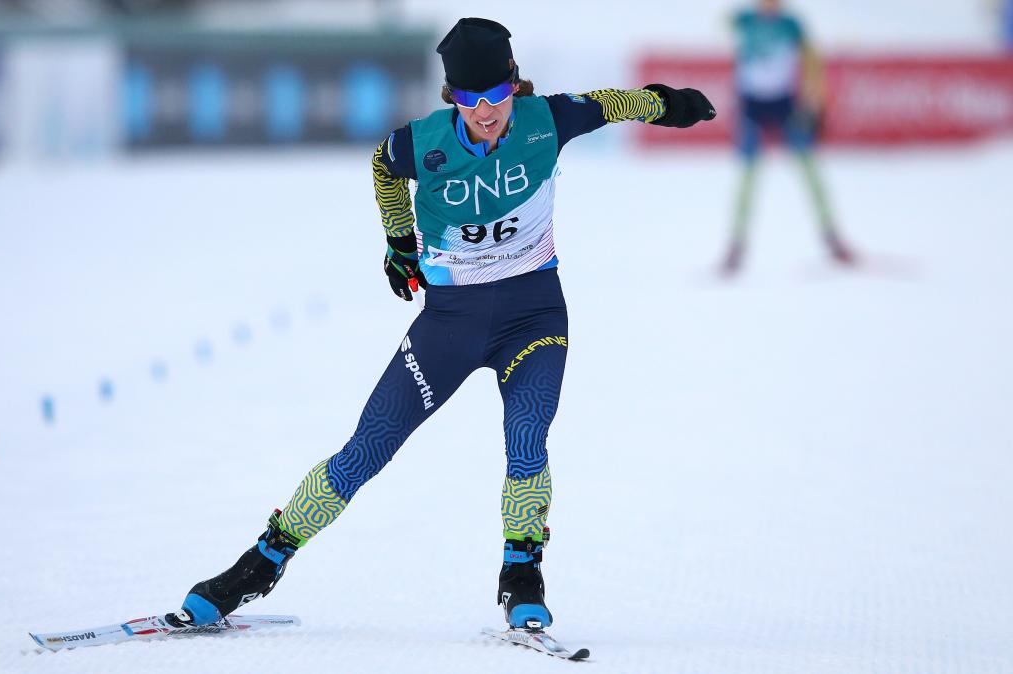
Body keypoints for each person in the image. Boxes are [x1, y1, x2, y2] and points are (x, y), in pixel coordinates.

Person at [172, 18, 715, 631]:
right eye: (468, 99)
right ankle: (258, 565)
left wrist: (668, 104)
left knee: (528, 434)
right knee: (366, 450)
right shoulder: (422, 143)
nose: (484, 113)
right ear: (450, 98)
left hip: (532, 317)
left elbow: (611, 103)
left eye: (495, 97)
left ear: (514, 85)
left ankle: (522, 574)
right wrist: (399, 241)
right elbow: (382, 164)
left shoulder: (546, 120)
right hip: (449, 325)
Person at [722, 0, 854, 275]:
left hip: (784, 105)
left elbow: (812, 62)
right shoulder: (745, 20)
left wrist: (814, 101)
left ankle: (831, 236)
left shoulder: (791, 25)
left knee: (809, 171)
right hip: (752, 107)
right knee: (748, 176)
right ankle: (736, 245)